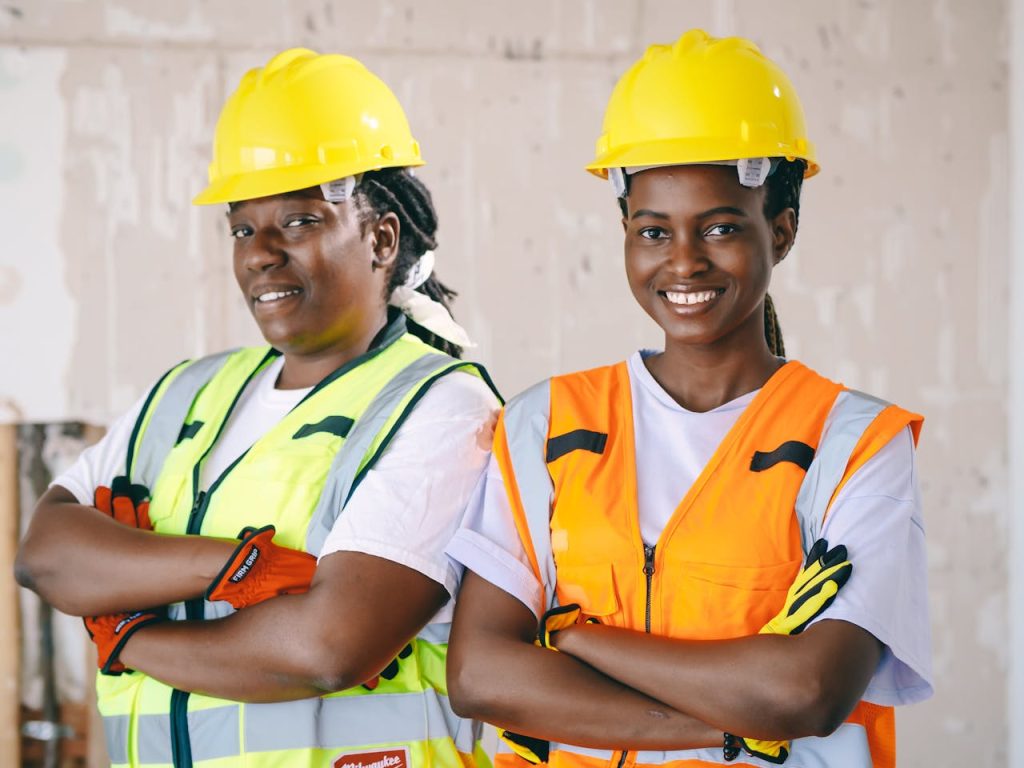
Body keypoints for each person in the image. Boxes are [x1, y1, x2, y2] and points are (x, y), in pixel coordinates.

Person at [445, 29, 932, 768]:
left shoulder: (855, 445)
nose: (682, 262)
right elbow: (479, 675)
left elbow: (806, 691)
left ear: (783, 229)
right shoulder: (545, 424)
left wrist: (575, 636)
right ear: (625, 234)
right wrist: (731, 725)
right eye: (653, 231)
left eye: (721, 227)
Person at [16, 48, 501, 768]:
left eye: (299, 221)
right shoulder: (184, 395)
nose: (261, 255)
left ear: (380, 238)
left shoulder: (442, 407)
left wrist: (128, 632)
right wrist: (239, 566)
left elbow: (325, 646)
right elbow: (47, 554)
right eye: (243, 228)